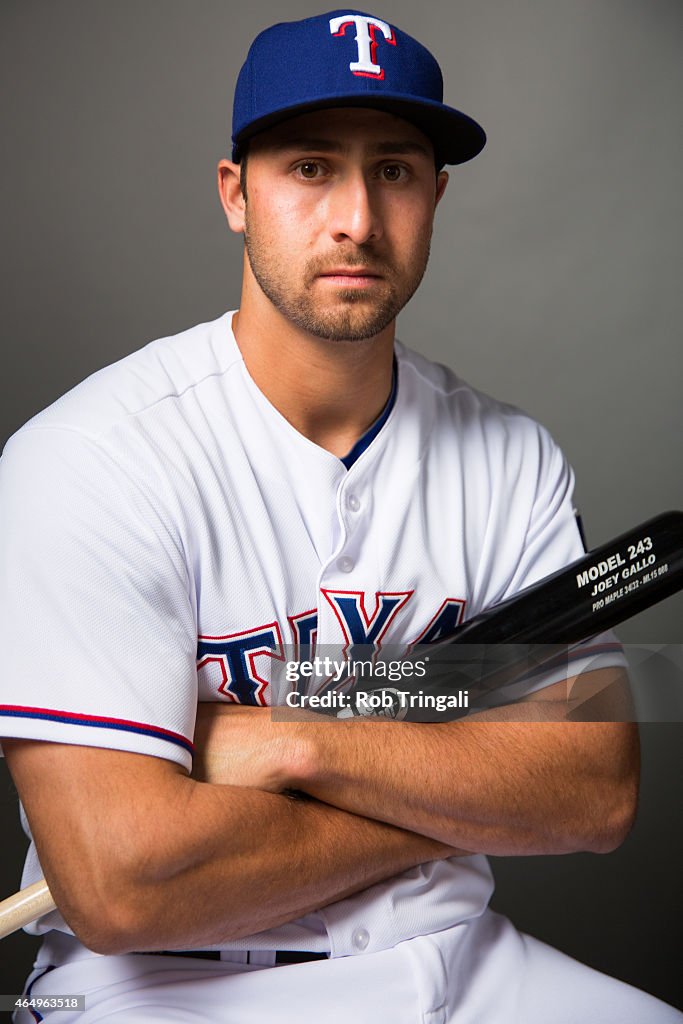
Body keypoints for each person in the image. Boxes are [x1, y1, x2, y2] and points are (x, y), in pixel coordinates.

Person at [0, 9, 680, 1023]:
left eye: (394, 171)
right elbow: (121, 885)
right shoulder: (91, 455)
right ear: (236, 194)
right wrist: (462, 794)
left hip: (455, 953)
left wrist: (296, 739)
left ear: (436, 194)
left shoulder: (510, 457)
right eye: (310, 168)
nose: (356, 217)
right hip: (169, 985)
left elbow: (592, 792)